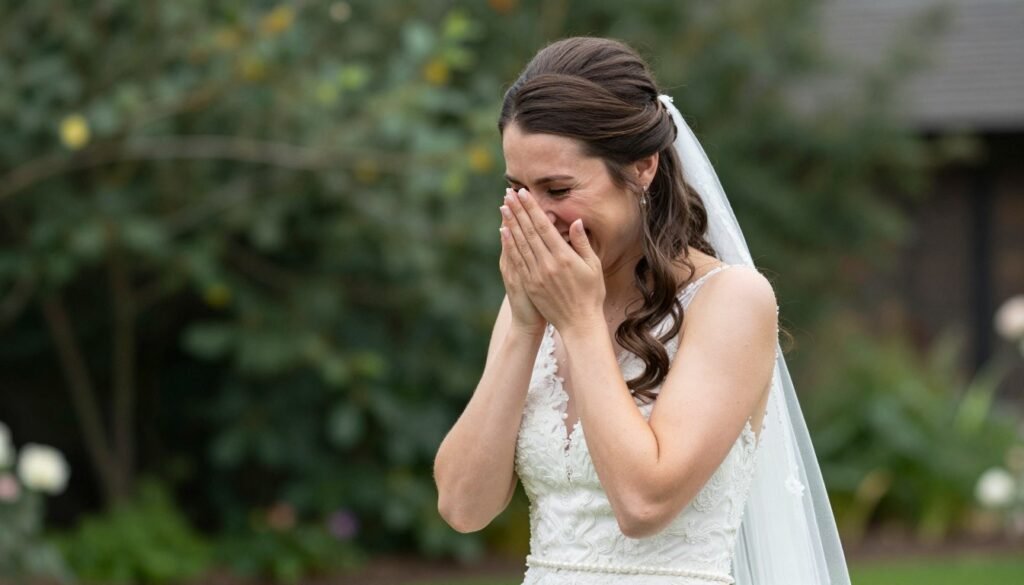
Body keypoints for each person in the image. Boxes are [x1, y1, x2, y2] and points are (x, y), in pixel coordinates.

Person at [434, 37, 850, 585]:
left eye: (558, 188)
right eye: (519, 189)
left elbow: (644, 505)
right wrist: (525, 327)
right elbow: (464, 507)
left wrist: (580, 323)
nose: (537, 216)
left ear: (642, 167)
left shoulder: (731, 301)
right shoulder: (535, 305)